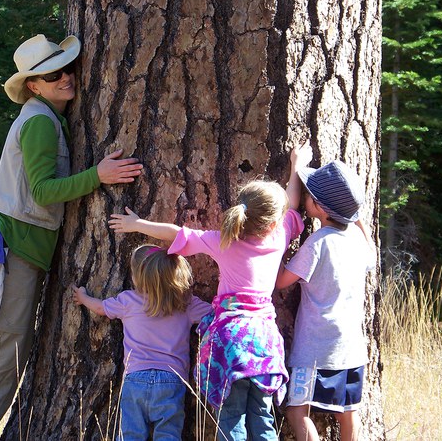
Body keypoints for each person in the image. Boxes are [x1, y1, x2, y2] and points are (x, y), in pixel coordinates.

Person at [0, 34, 143, 441]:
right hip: (17, 254)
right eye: (52, 74)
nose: (65, 77)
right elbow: (41, 191)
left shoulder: (45, 116)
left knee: (6, 350)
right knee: (5, 352)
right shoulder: (39, 120)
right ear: (34, 86)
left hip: (22, 252)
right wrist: (99, 176)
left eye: (67, 68)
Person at [108, 147, 310, 441]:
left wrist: (137, 225)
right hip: (264, 342)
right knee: (263, 415)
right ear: (272, 221)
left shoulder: (224, 241)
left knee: (232, 416)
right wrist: (296, 166)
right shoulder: (280, 235)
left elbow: (179, 234)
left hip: (231, 343)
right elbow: (292, 206)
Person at [274, 151, 376, 441]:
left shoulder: (317, 244)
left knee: (297, 411)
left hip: (315, 351)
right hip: (352, 348)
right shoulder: (357, 241)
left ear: (317, 207)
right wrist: (359, 221)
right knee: (348, 413)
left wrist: (276, 249)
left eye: (309, 195)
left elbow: (282, 281)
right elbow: (373, 257)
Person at [73, 244, 212, 440]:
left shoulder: (128, 301)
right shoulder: (185, 303)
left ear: (137, 277)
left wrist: (83, 297)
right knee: (168, 434)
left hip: (135, 378)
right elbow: (214, 313)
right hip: (172, 380)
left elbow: (100, 308)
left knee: (131, 434)